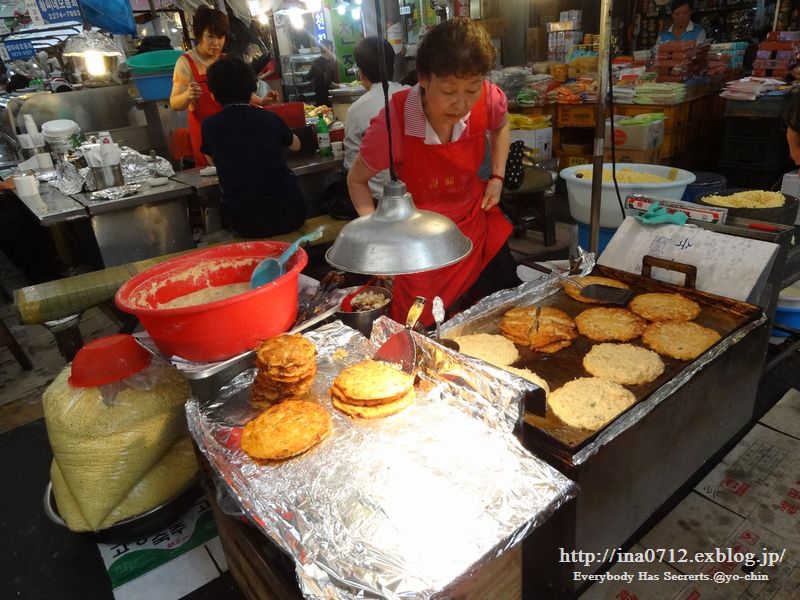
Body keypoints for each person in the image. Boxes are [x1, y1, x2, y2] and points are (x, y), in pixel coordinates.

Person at [347, 18, 518, 326]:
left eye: (472, 89)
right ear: (423, 79)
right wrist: (376, 246)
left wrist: (497, 176)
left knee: (499, 314)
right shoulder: (394, 122)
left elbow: (502, 125)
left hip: (473, 225)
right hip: (418, 244)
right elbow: (357, 180)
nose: (462, 103)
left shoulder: (488, 99)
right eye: (450, 91)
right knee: (418, 327)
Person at [201, 57, 307, 238]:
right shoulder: (268, 118)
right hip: (291, 214)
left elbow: (212, 160)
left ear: (213, 93)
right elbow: (296, 145)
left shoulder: (210, 125)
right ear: (252, 89)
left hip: (246, 222)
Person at [170, 6, 275, 168]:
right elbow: (175, 103)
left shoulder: (226, 59)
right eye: (210, 36)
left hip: (233, 134)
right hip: (206, 138)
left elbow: (237, 93)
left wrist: (262, 102)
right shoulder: (186, 63)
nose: (216, 43)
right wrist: (187, 95)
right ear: (199, 35)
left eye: (220, 37)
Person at [343, 37, 409, 201]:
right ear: (392, 65)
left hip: (378, 202)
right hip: (414, 197)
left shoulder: (356, 111)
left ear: (361, 72)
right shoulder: (412, 95)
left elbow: (351, 166)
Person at [308, 39, 338, 107]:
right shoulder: (326, 63)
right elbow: (328, 83)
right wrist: (341, 86)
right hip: (328, 99)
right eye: (332, 49)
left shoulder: (315, 62)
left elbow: (308, 77)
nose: (333, 52)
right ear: (328, 48)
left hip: (319, 98)